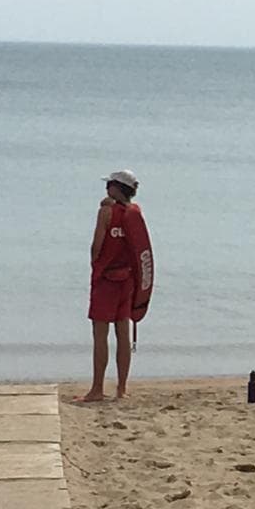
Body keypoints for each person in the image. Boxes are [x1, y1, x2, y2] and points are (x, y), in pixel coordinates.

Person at [79, 169, 142, 402]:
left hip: (106, 280)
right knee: (123, 333)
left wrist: (95, 266)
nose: (106, 189)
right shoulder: (134, 213)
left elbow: (97, 245)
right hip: (127, 280)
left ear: (117, 188)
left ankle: (97, 389)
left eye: (110, 185)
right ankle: (121, 389)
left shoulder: (106, 211)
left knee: (100, 335)